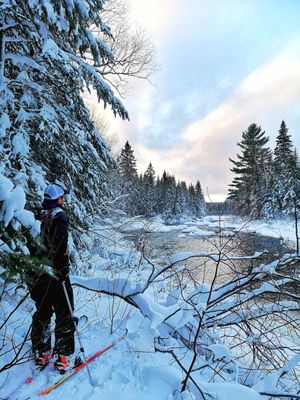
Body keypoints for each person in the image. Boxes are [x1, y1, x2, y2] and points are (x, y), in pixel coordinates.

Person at [28, 183, 76, 372]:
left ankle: (42, 351)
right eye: (62, 197)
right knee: (65, 311)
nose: (63, 200)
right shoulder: (59, 217)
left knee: (42, 310)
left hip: (37, 275)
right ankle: (63, 356)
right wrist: (62, 272)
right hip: (55, 275)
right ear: (58, 199)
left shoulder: (35, 216)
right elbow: (60, 247)